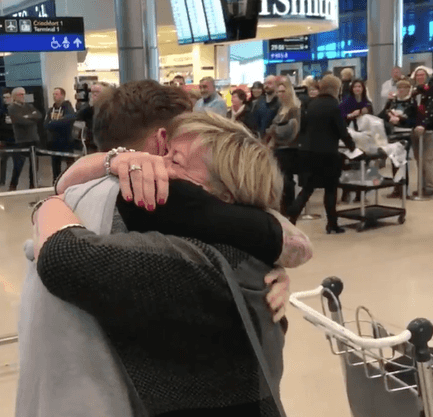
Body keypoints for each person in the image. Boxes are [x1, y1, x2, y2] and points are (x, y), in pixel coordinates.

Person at [20, 80, 304, 417]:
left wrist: (49, 202)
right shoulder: (137, 208)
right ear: (158, 141)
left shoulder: (87, 200)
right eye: (167, 152)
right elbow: (64, 257)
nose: (166, 164)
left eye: (178, 159)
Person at [287, 75, 357, 234]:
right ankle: (332, 224)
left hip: (307, 152)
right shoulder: (334, 106)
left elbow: (303, 128)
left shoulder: (311, 104)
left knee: (307, 189)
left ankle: (291, 218)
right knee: (331, 189)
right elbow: (341, 131)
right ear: (335, 88)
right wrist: (352, 147)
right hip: (327, 153)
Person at [264, 77, 301, 216]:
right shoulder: (281, 109)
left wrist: (274, 130)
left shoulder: (294, 109)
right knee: (280, 179)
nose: (280, 94)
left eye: (282, 91)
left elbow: (292, 131)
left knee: (287, 180)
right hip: (278, 149)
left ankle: (289, 208)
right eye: (278, 92)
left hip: (289, 150)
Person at [379, 79, 417, 198]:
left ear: (408, 89)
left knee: (402, 162)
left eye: (403, 88)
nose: (401, 90)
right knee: (394, 162)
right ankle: (396, 188)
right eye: (399, 88)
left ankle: (404, 189)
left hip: (405, 134)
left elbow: (413, 120)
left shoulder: (412, 103)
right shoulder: (392, 102)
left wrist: (401, 119)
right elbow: (381, 115)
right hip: (392, 134)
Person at [411, 66, 433, 197]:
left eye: (422, 75)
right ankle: (421, 185)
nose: (420, 77)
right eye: (417, 75)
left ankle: (430, 186)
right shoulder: (414, 93)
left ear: (427, 77)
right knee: (418, 159)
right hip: (414, 129)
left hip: (429, 129)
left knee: (427, 159)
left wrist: (425, 124)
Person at [8, 87, 42, 190]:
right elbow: (19, 120)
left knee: (34, 164)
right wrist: (30, 118)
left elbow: (39, 116)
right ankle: (13, 185)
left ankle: (33, 184)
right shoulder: (12, 108)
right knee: (18, 164)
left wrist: (27, 117)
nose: (23, 96)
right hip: (21, 139)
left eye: (24, 94)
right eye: (20, 94)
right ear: (14, 96)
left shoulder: (29, 106)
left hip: (33, 138)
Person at [44, 87, 76, 182]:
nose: (54, 96)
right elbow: (46, 124)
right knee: (55, 164)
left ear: (62, 95)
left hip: (66, 140)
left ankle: (72, 180)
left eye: (57, 94)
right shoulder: (51, 110)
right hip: (54, 141)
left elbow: (68, 120)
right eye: (53, 94)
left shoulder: (68, 108)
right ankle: (56, 181)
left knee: (70, 163)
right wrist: (56, 123)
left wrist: (53, 123)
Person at [73, 82, 110, 156]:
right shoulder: (89, 109)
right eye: (92, 92)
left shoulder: (112, 108)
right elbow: (78, 116)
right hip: (91, 143)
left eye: (97, 92)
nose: (94, 94)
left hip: (108, 143)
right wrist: (89, 104)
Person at [0, 91, 15, 187]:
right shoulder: (1, 111)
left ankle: (14, 182)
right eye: (4, 97)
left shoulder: (16, 109)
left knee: (17, 161)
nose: (5, 99)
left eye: (7, 97)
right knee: (3, 160)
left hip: (16, 139)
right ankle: (2, 180)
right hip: (5, 139)